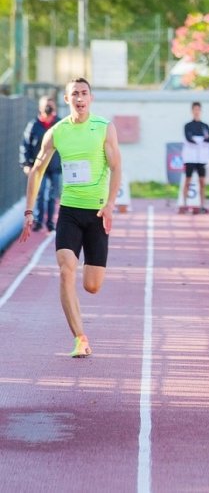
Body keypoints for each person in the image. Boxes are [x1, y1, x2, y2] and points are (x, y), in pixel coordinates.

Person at [18, 78, 122, 358]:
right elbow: (37, 170)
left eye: (84, 93)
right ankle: (80, 338)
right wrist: (29, 211)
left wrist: (111, 204)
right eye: (74, 94)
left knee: (92, 286)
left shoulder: (104, 127)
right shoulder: (57, 132)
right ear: (67, 100)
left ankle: (82, 329)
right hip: (69, 212)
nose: (79, 98)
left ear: (91, 98)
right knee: (66, 269)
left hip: (97, 213)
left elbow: (116, 166)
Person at [20, 95, 63, 231]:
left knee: (52, 195)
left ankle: (50, 222)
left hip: (55, 166)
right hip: (38, 166)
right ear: (40, 107)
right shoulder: (33, 125)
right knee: (40, 192)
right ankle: (38, 222)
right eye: (45, 104)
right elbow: (25, 145)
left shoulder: (60, 124)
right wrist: (25, 164)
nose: (48, 107)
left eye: (50, 104)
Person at [181, 101, 209, 213]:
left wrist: (199, 141)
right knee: (187, 180)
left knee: (202, 182)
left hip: (201, 159)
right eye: (195, 109)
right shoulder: (187, 126)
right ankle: (184, 204)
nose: (196, 112)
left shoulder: (205, 126)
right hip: (190, 158)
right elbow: (188, 138)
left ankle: (202, 205)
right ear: (192, 111)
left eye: (198, 109)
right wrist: (199, 141)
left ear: (200, 111)